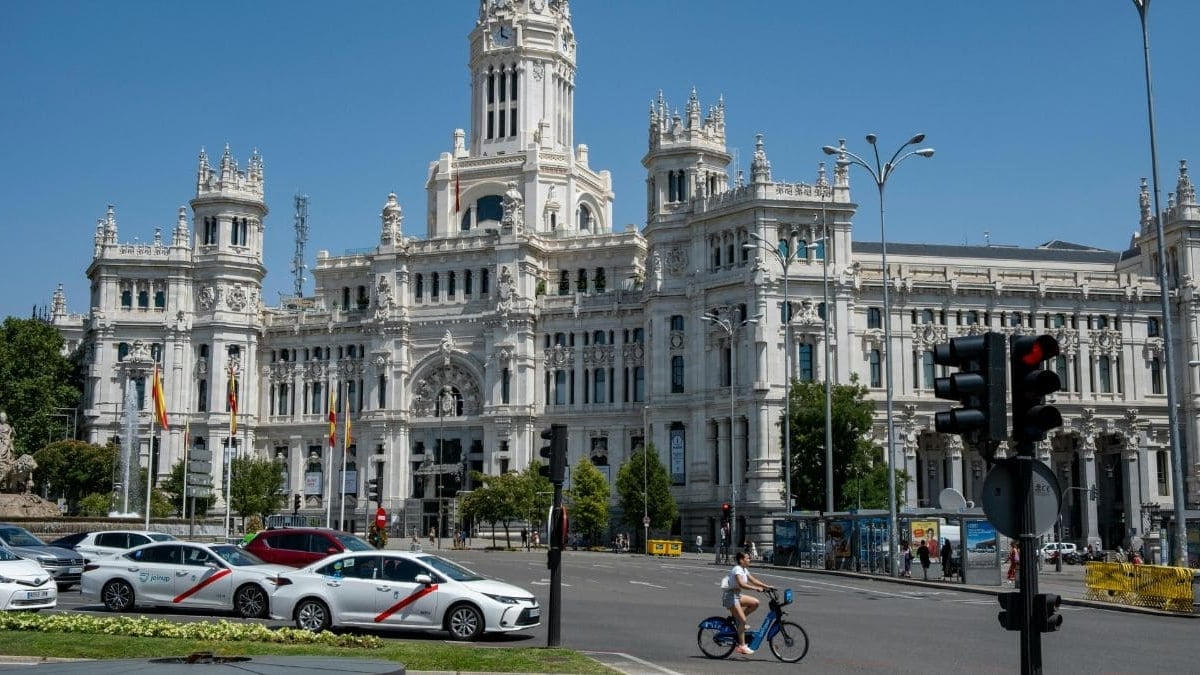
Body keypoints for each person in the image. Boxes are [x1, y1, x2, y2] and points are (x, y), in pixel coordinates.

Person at [722, 551, 770, 656]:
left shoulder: (744, 569)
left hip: (737, 595)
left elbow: (754, 580)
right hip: (730, 596)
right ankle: (742, 646)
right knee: (743, 620)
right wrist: (756, 589)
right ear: (741, 560)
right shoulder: (737, 569)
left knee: (755, 603)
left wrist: (767, 587)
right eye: (747, 558)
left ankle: (738, 620)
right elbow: (742, 584)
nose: (749, 560)